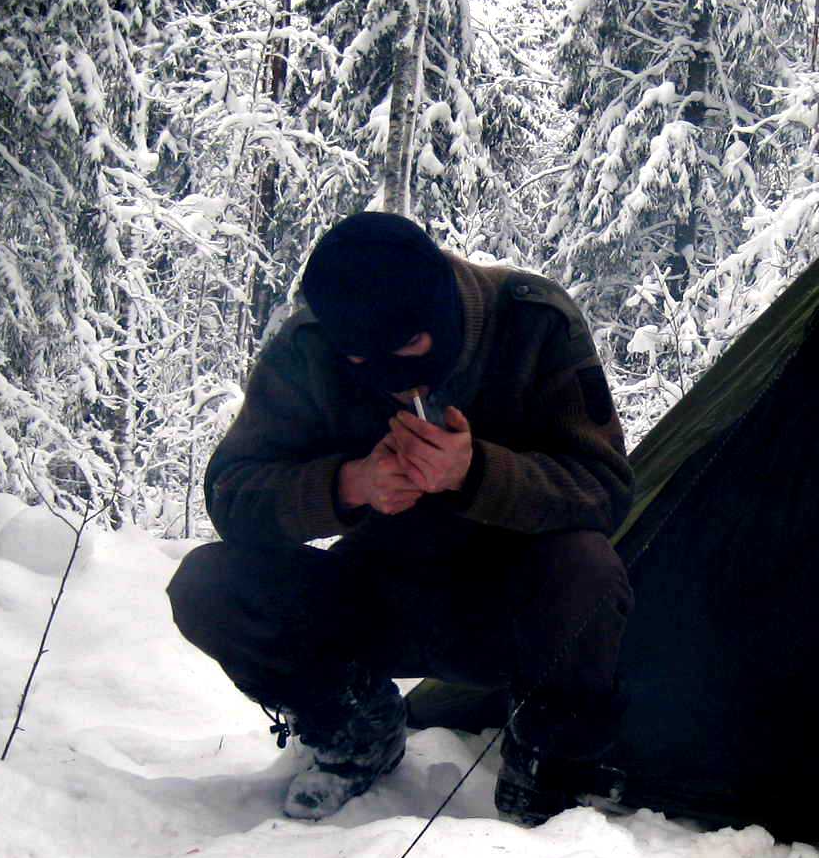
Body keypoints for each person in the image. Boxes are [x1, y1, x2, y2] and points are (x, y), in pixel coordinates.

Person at [166, 211, 634, 823]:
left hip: (514, 607)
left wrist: (478, 475)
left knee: (590, 571)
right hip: (378, 597)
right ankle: (356, 724)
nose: (390, 379)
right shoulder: (310, 350)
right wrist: (346, 485)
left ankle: (551, 764)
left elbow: (605, 490)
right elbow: (232, 495)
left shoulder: (532, 322)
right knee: (208, 585)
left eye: (410, 347)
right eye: (361, 361)